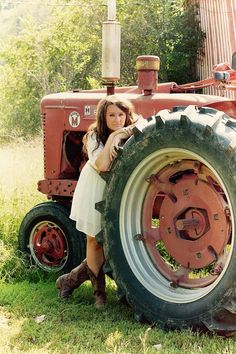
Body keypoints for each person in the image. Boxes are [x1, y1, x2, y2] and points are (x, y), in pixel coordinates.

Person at [56, 95, 142, 308]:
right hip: (94, 187)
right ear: (103, 117)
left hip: (119, 190)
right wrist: (114, 138)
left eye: (121, 114)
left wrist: (124, 132)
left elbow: (145, 122)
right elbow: (102, 165)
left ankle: (68, 280)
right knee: (94, 240)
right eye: (111, 115)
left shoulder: (132, 129)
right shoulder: (95, 136)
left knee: (113, 241)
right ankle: (99, 294)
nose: (117, 120)